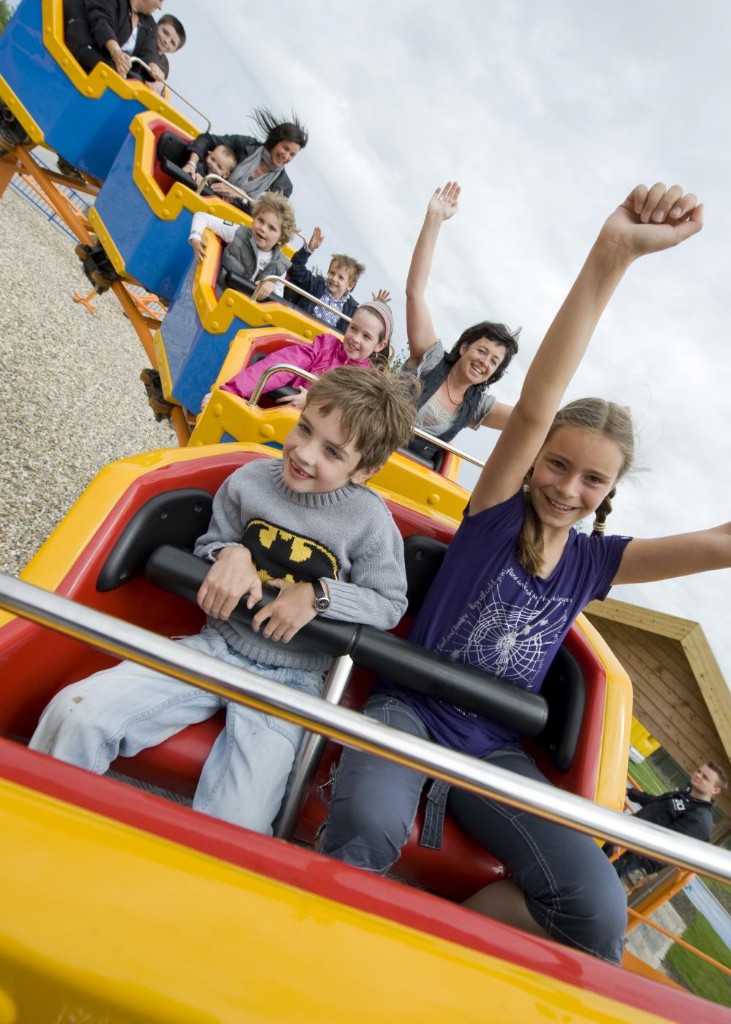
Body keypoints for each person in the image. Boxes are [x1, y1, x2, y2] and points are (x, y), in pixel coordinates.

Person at [321, 181, 717, 966]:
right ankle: (322, 953)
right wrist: (612, 257)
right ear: (535, 461)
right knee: (367, 823)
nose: (567, 489)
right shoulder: (496, 513)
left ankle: (432, 942)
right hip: (411, 708)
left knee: (597, 912)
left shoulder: (598, 561)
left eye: (590, 482)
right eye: (558, 466)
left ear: (609, 493)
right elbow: (536, 405)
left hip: (496, 747)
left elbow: (717, 543)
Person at [29, 367, 417, 834]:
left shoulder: (370, 524)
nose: (305, 454)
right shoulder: (250, 480)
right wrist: (228, 553)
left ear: (366, 470)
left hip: (290, 683)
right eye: (305, 429)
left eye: (332, 452)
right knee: (78, 713)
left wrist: (319, 595)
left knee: (241, 818)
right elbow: (213, 542)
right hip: (216, 643)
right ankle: (34, 826)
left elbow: (388, 603)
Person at [403, 182, 519, 456]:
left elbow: (532, 419)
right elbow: (415, 292)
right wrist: (434, 220)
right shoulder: (430, 360)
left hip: (405, 474)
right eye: (482, 350)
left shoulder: (477, 406)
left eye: (494, 361)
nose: (485, 362)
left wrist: (598, 421)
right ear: (465, 347)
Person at [213, 301, 394, 411]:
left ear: (379, 345)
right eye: (353, 328)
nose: (355, 338)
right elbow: (284, 363)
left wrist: (312, 402)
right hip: (281, 414)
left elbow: (351, 412)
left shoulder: (368, 382)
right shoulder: (325, 345)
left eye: (366, 336)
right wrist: (232, 391)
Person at [606, 762, 728, 878]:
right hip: (623, 837)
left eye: (705, 777)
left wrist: (630, 850)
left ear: (715, 790)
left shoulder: (699, 819)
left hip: (628, 857)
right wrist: (630, 793)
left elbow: (667, 847)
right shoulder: (685, 794)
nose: (698, 775)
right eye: (699, 771)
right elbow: (656, 803)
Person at [182, 108, 307, 213]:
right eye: (285, 148)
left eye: (292, 155)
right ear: (275, 141)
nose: (286, 156)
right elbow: (207, 139)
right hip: (204, 195)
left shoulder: (284, 187)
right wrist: (192, 164)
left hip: (231, 222)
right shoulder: (246, 144)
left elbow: (268, 216)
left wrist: (241, 196)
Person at [188, 191, 296, 301]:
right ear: (254, 217)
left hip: (242, 311)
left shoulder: (280, 265)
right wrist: (195, 238)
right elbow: (202, 217)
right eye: (260, 220)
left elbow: (278, 298)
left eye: (271, 228)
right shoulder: (237, 232)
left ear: (281, 239)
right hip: (214, 296)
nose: (263, 228)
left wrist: (271, 286)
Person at [287, 228, 391, 333]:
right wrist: (308, 249)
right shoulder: (315, 284)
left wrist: (376, 307)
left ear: (350, 285)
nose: (334, 278)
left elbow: (365, 322)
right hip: (299, 330)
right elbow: (296, 269)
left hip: (325, 345)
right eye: (332, 273)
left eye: (340, 277)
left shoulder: (351, 309)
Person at [63, 0, 166, 82]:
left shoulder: (149, 24)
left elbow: (149, 50)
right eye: (160, 0)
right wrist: (116, 52)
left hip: (107, 60)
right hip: (86, 42)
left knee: (135, 80)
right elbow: (101, 21)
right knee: (118, 76)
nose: (160, 7)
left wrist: (154, 66)